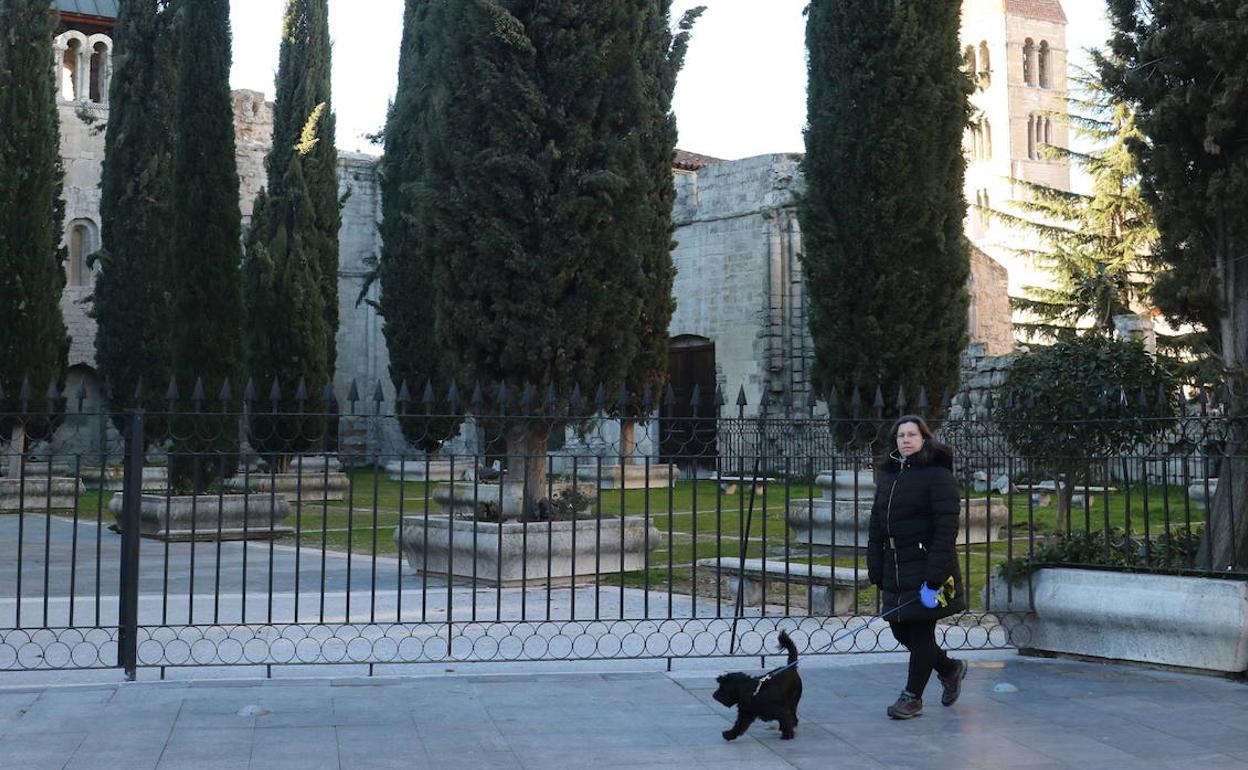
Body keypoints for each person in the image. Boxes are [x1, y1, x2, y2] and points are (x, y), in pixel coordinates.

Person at [867, 414, 967, 719]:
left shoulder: (938, 476)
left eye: (912, 434)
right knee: (899, 630)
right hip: (895, 566)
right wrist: (875, 562)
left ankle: (912, 697)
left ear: (924, 439)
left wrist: (935, 576)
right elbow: (876, 523)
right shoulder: (888, 475)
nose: (906, 439)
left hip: (926, 566)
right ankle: (950, 668)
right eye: (901, 435)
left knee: (921, 632)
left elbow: (946, 529)